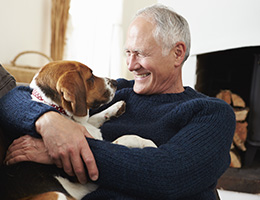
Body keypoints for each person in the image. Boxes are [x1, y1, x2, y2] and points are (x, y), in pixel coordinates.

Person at [0, 4, 235, 200]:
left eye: (140, 54)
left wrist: (62, 151)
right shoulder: (119, 91)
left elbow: (167, 175)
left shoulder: (211, 113)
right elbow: (13, 99)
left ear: (177, 53)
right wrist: (49, 122)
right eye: (128, 53)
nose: (131, 65)